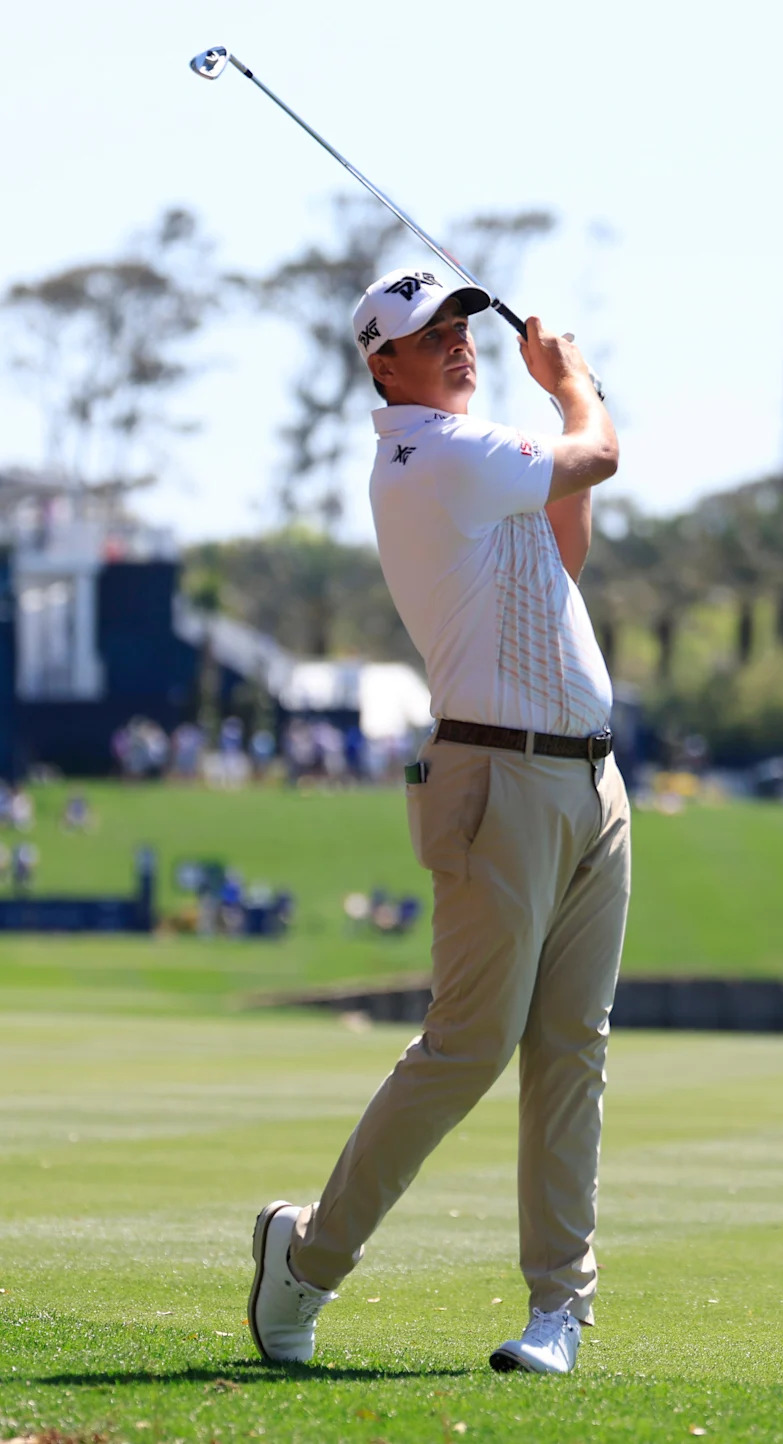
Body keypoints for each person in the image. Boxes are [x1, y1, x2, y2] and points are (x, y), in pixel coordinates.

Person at [248, 268, 631, 1377]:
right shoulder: (427, 457)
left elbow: (566, 548)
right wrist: (574, 391)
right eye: (431, 333)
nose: (460, 342)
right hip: (494, 781)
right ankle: (308, 1263)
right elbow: (596, 453)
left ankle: (560, 1310)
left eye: (463, 323)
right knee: (469, 1046)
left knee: (573, 1050)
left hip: (590, 784)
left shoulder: (478, 455)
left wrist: (568, 406)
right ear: (385, 365)